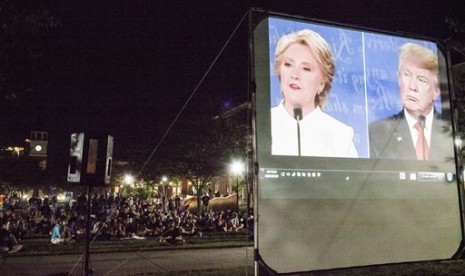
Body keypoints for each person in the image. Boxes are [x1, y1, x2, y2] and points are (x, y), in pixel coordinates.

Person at [271, 29, 358, 157]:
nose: (295, 75)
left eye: (306, 68)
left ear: (322, 82)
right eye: (288, 64)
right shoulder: (262, 123)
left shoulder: (341, 135)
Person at [369, 43, 452, 160]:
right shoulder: (377, 132)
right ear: (399, 79)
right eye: (407, 75)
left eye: (421, 80)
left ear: (436, 91)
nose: (412, 86)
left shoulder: (449, 131)